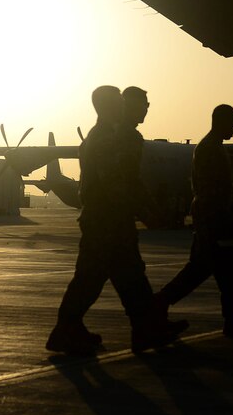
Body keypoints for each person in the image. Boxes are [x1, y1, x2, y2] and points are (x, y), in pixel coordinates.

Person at [46, 85, 188, 356]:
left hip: (107, 219)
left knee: (125, 276)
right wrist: (146, 212)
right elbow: (118, 182)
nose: (124, 107)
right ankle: (69, 330)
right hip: (107, 221)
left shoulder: (98, 136)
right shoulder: (107, 140)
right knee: (98, 279)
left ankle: (140, 330)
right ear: (110, 106)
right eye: (119, 103)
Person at [151, 103, 233, 339]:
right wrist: (219, 221)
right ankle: (162, 302)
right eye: (232, 124)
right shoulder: (210, 149)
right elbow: (210, 189)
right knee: (220, 274)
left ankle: (162, 302)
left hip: (212, 219)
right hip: (213, 220)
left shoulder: (211, 147)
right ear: (221, 121)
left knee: (210, 272)